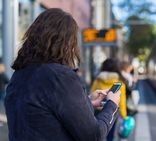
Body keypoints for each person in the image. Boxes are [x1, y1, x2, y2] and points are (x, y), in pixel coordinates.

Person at [4, 8, 120, 141]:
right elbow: (94, 136)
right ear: (67, 43)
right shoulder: (61, 77)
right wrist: (112, 105)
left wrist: (86, 102)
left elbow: (42, 114)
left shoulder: (18, 76)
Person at [90, 58, 127, 141]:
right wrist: (124, 116)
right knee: (110, 136)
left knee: (97, 134)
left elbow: (92, 94)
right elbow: (122, 102)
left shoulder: (97, 80)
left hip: (97, 110)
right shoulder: (120, 83)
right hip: (112, 111)